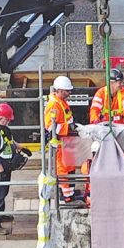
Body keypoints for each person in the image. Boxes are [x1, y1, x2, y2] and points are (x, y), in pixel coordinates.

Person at [0, 103, 22, 235]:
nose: (9, 122)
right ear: (1, 118)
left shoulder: (2, 128)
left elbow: (8, 141)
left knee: (3, 192)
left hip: (5, 167)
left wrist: (21, 147)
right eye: (7, 119)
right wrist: (0, 170)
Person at [44, 75, 80, 203]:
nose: (69, 93)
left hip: (67, 142)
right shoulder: (53, 105)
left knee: (70, 168)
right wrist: (67, 127)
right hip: (60, 144)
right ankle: (66, 196)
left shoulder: (62, 102)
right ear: (59, 90)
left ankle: (70, 193)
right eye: (67, 91)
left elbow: (68, 118)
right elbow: (50, 126)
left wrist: (71, 126)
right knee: (63, 170)